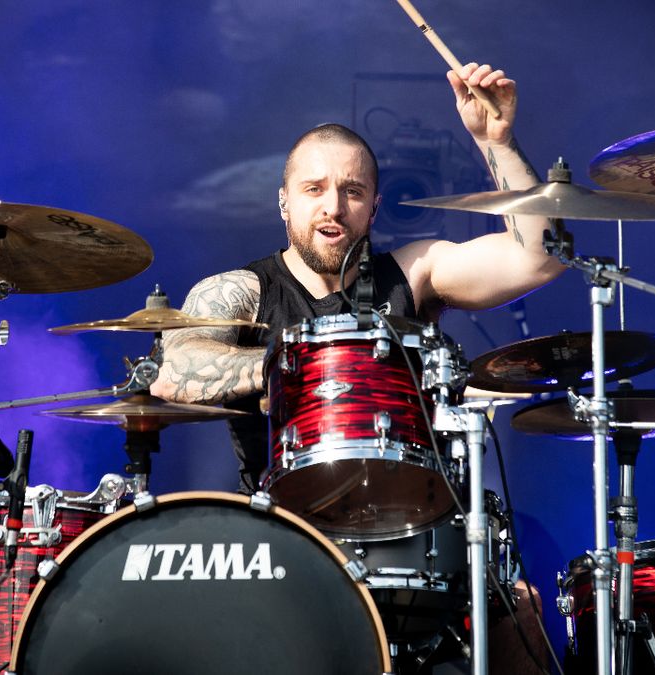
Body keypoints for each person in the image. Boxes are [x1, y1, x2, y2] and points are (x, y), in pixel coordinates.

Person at [152, 62, 562, 673]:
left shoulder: (414, 273)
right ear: (284, 201)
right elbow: (174, 368)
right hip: (284, 539)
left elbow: (541, 258)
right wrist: (291, 370)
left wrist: (493, 142)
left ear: (373, 205)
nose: (332, 206)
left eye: (352, 190)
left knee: (520, 609)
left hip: (412, 534)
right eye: (313, 188)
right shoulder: (240, 291)